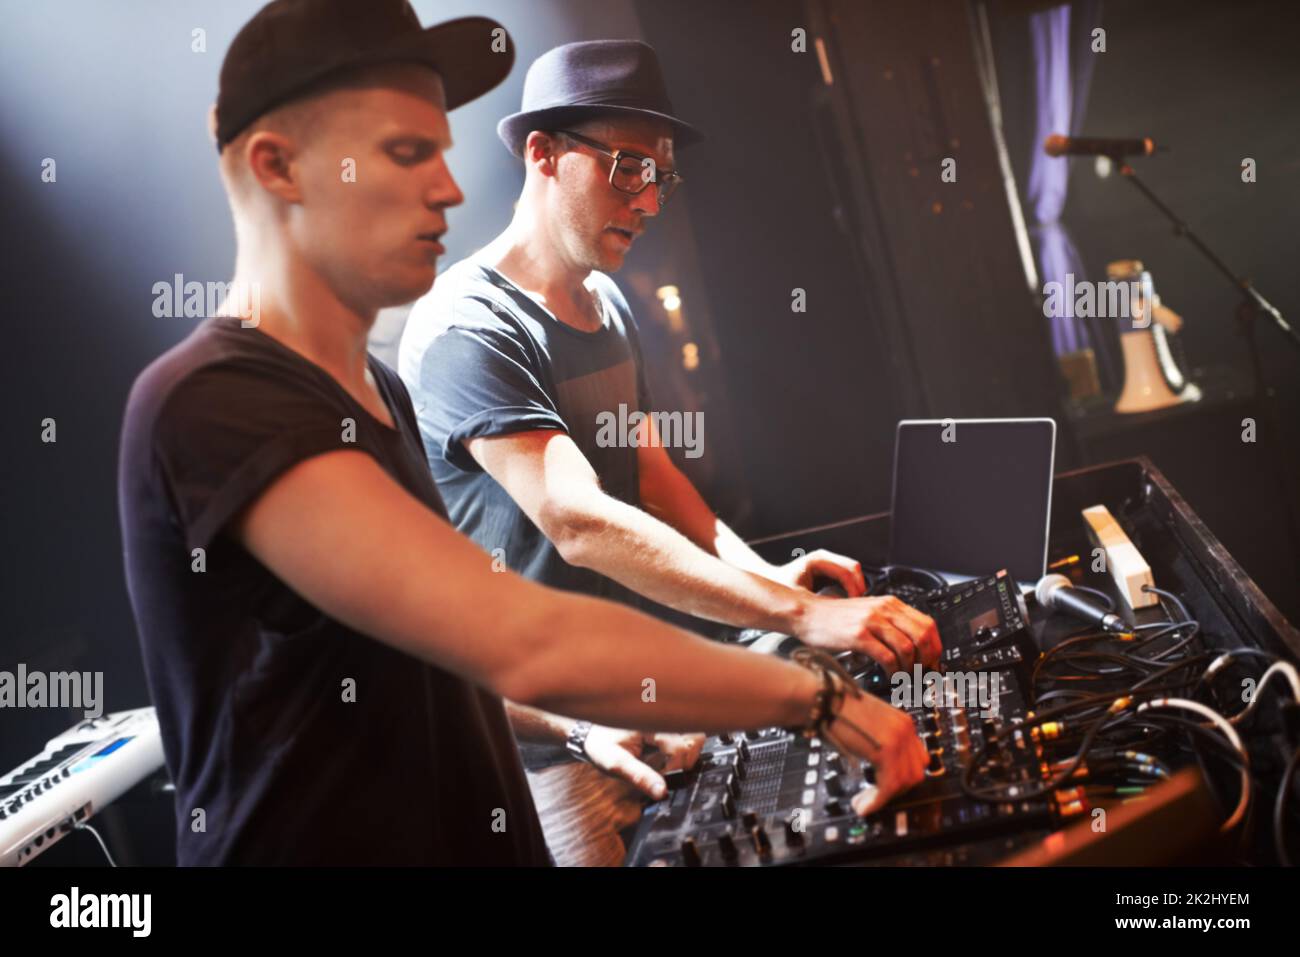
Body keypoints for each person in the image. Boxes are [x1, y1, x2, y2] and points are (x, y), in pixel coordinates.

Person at [117, 0, 929, 866]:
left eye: (442, 150)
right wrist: (813, 692)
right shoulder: (214, 401)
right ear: (278, 165)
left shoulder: (375, 388)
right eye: (406, 151)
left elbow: (448, 653)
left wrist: (574, 725)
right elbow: (520, 630)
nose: (451, 187)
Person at [397, 40, 940, 862]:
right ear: (542, 153)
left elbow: (649, 473)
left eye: (661, 174)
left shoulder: (607, 301)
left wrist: (759, 573)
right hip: (573, 740)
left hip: (668, 683)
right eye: (626, 168)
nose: (650, 201)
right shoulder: (467, 328)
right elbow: (578, 519)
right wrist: (804, 613)